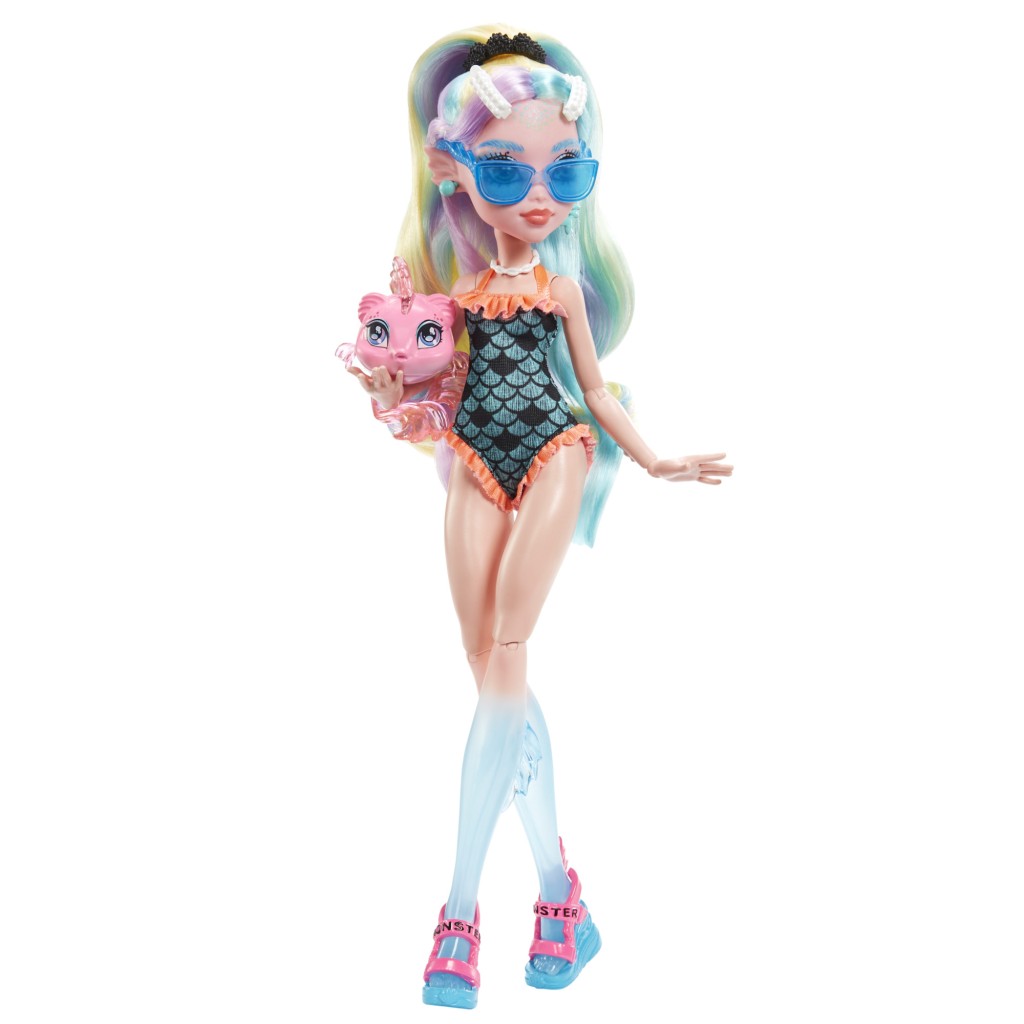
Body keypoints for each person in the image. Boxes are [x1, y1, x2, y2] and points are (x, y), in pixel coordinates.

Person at [346, 26, 732, 1010]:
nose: (537, 195)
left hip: (557, 453)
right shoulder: (454, 298)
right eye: (503, 168)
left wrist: (654, 457)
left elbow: (593, 393)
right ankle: (563, 894)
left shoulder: (560, 290)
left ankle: (458, 914)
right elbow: (429, 388)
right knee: (491, 673)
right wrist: (389, 387)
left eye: (566, 170)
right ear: (451, 170)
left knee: (507, 656)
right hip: (474, 462)